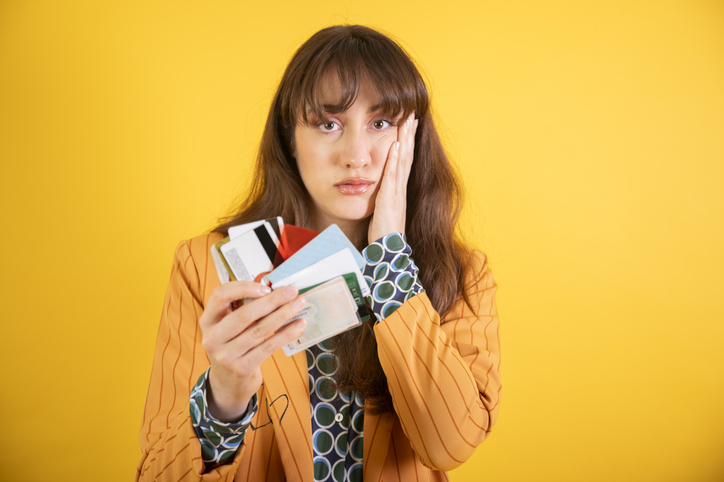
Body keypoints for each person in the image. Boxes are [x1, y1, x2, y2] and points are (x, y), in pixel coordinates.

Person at [137, 24, 501, 482]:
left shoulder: (460, 272)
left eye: (382, 123)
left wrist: (390, 259)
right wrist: (224, 396)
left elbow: (450, 444)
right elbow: (158, 475)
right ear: (290, 138)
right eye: (328, 124)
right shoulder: (206, 266)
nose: (356, 156)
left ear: (413, 137)